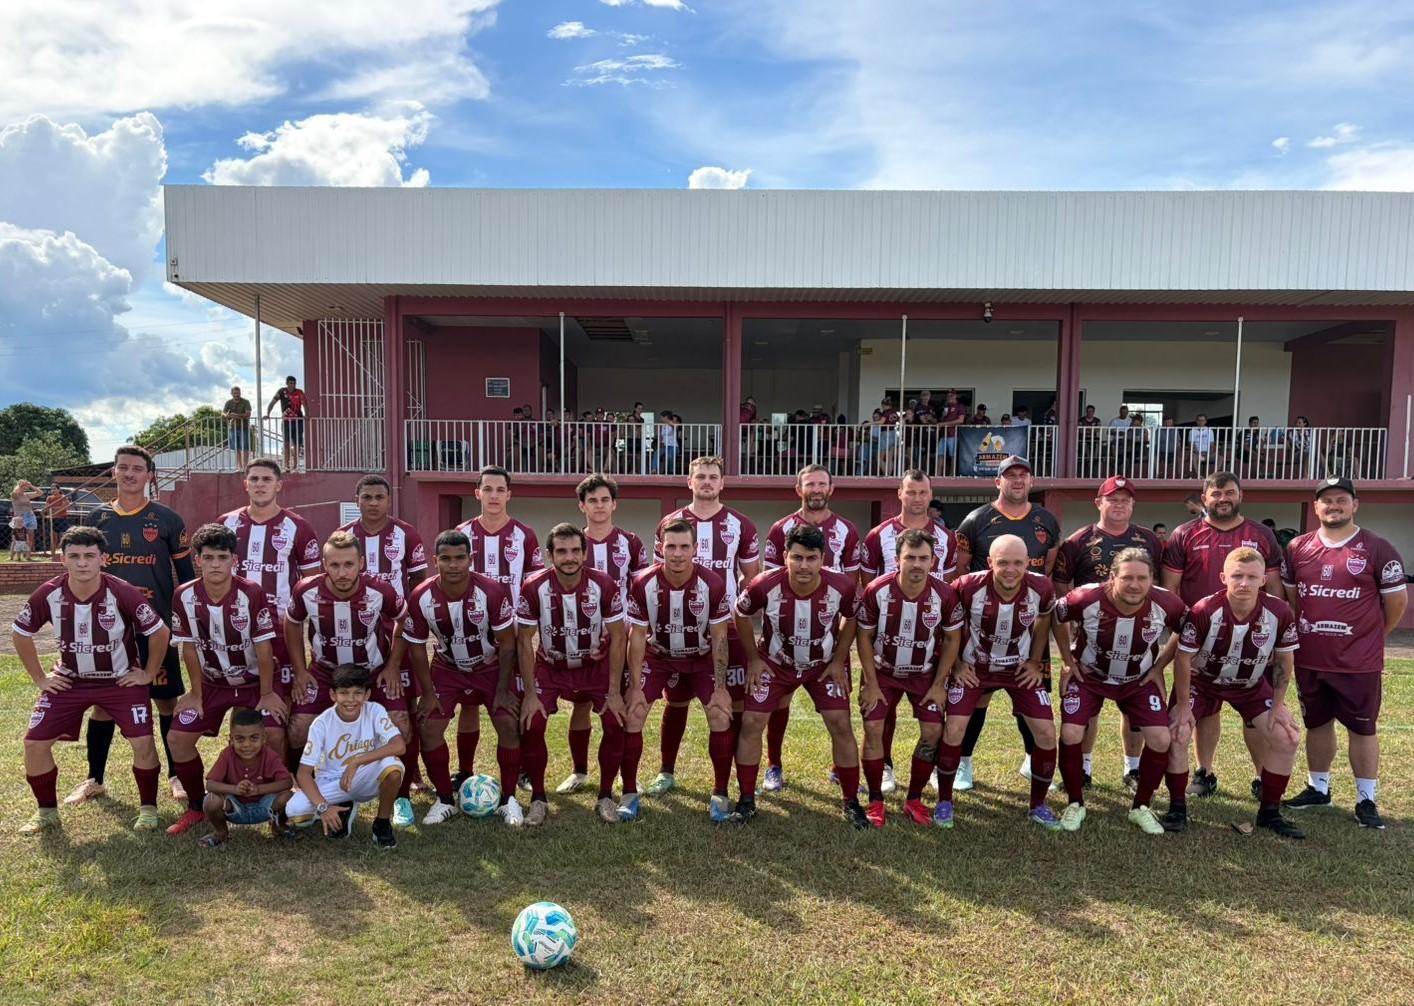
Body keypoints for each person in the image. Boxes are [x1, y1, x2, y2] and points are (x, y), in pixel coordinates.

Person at [14, 525, 169, 833]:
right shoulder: (50, 593)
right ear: (63, 559)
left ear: (103, 559)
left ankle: (148, 809)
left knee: (142, 742)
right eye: (74, 556)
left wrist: (148, 673)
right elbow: (20, 633)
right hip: (70, 681)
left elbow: (159, 631)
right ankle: (46, 812)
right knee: (34, 744)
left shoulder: (122, 591)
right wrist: (40, 678)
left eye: (89, 555)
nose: (82, 563)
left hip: (119, 681)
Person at [70, 446, 195, 809]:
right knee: (104, 703)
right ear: (113, 472)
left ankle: (175, 775)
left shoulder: (168, 519)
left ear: (149, 475)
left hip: (156, 628)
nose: (129, 474)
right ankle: (95, 779)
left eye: (137, 468)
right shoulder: (96, 518)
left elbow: (186, 578)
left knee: (166, 699)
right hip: (108, 629)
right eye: (123, 467)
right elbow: (81, 570)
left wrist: (182, 623)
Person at [1281, 477, 1407, 829]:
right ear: (1316, 507)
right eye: (1327, 500)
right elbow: (1295, 599)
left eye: (1341, 499)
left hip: (1357, 662)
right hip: (1311, 656)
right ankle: (1318, 788)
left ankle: (1366, 799)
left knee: (1362, 729)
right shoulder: (1298, 548)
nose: (1333, 506)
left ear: (1355, 505)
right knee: (1317, 723)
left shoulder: (1377, 548)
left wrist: (1373, 636)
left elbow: (1396, 603)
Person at [729, 524, 865, 828]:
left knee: (841, 724)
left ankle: (851, 802)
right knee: (751, 722)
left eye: (811, 558)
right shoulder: (764, 584)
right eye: (797, 557)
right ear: (785, 557)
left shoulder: (841, 586)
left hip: (822, 665)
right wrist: (754, 659)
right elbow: (741, 613)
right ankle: (746, 800)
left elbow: (853, 616)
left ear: (822, 559)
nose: (804, 565)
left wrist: (839, 659)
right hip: (776, 664)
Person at [1161, 472, 1283, 799]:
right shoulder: (1184, 534)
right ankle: (1205, 772)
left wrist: (1274, 636)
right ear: (1204, 498)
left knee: (1255, 714)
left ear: (1241, 495)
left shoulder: (1261, 534)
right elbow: (1171, 589)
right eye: (1216, 493)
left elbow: (1273, 587)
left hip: (1253, 640)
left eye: (1229, 492)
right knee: (1205, 710)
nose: (1223, 499)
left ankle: (1262, 777)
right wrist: (1182, 633)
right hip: (1201, 640)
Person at [1168, 549, 1304, 838]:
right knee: (1177, 733)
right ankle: (1177, 807)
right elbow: (1182, 658)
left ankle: (1270, 811)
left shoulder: (1279, 611)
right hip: (1203, 682)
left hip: (1249, 684)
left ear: (1263, 580)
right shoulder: (1204, 610)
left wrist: (1278, 705)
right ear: (1223, 578)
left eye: (1252, 577)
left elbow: (1284, 659)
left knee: (1287, 737)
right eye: (1237, 576)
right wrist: (1182, 705)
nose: (1244, 583)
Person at [1051, 549, 1186, 833]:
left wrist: (1159, 666)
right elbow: (1056, 615)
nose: (1134, 585)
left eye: (1142, 578)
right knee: (1071, 732)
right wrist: (1067, 660)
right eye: (1127, 578)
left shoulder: (1167, 602)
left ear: (1152, 579)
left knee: (1161, 738)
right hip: (1089, 676)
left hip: (1137, 681)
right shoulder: (1086, 597)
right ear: (1112, 577)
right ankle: (1075, 802)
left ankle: (1141, 807)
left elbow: (1185, 630)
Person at [164, 523, 285, 836]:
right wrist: (194, 693)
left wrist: (267, 693)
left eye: (222, 557)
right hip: (212, 684)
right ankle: (197, 806)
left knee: (274, 734)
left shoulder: (251, 592)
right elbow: (188, 647)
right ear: (197, 560)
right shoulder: (184, 595)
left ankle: (276, 809)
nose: (215, 564)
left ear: (234, 560)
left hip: (253, 684)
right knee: (177, 738)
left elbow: (264, 646)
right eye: (208, 557)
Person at [649, 456, 760, 796]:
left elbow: (751, 578)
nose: (707, 482)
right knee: (676, 702)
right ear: (690, 482)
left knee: (731, 704)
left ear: (722, 483)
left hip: (727, 628)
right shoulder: (670, 523)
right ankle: (666, 771)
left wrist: (739, 616)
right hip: (679, 628)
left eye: (713, 477)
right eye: (701, 476)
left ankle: (733, 777)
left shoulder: (741, 524)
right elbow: (658, 576)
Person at [285, 530, 410, 824]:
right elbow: (292, 623)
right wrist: (301, 671)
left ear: (361, 563)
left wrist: (393, 666)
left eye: (349, 564)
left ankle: (401, 796)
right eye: (335, 565)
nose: (342, 572)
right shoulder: (306, 590)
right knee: (298, 729)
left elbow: (404, 620)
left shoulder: (380, 590)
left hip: (372, 672)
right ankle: (301, 787)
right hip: (325, 672)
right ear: (324, 565)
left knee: (401, 725)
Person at [952, 455, 1061, 789]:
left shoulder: (1046, 520)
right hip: (983, 622)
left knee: (1031, 687)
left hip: (1027, 622)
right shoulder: (976, 520)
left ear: (1031, 481)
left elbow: (1048, 570)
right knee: (977, 695)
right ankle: (963, 763)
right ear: (997, 482)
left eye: (1023, 475)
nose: (1017, 480)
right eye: (1010, 475)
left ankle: (1031, 759)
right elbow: (961, 570)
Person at [401, 529, 523, 826]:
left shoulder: (491, 591)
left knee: (508, 723)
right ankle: (445, 800)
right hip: (447, 669)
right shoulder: (421, 596)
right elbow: (416, 646)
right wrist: (428, 693)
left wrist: (503, 689)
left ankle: (509, 799)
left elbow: (508, 643)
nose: (453, 565)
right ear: (435, 561)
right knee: (429, 727)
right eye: (446, 558)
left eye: (460, 558)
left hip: (490, 667)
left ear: (471, 559)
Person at [938, 535, 1060, 829]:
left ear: (1028, 563)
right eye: (1003, 562)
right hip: (975, 669)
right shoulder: (966, 587)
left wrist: (1035, 661)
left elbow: (1044, 619)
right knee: (953, 729)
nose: (1010, 570)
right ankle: (944, 801)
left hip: (1018, 670)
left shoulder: (1041, 587)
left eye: (1017, 563)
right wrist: (957, 664)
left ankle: (1038, 805)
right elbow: (947, 626)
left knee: (1046, 733)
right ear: (990, 562)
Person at [1052, 477, 1164, 790]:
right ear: (1098, 503)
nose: (1119, 505)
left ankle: (1133, 769)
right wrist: (1069, 646)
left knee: (1135, 707)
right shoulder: (1077, 541)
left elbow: (1160, 587)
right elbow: (1061, 589)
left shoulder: (1149, 540)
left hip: (1139, 637)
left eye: (1125, 500)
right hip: (1091, 638)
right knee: (1087, 708)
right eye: (1112, 499)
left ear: (1133, 504)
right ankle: (1084, 768)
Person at [515, 524, 628, 827]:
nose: (569, 557)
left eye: (575, 550)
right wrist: (530, 694)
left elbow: (619, 636)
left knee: (615, 722)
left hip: (595, 668)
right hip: (552, 668)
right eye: (562, 551)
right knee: (532, 722)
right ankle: (538, 798)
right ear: (549, 555)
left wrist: (615, 690)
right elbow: (524, 640)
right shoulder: (533, 586)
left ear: (585, 553)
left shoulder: (604, 584)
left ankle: (606, 795)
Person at [759, 465, 863, 792]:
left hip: (828, 637)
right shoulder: (780, 529)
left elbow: (851, 588)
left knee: (838, 710)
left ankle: (840, 770)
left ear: (831, 489)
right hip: (784, 636)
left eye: (821, 484)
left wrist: (841, 652)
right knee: (779, 703)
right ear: (798, 489)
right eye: (810, 484)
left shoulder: (847, 530)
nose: (816, 490)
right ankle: (774, 766)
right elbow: (770, 584)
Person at [624, 519, 736, 822]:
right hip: (659, 656)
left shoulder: (712, 583)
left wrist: (721, 688)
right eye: (671, 546)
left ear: (695, 549)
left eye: (684, 546)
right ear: (660, 548)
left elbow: (720, 638)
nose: (677, 553)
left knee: (719, 713)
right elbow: (637, 637)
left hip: (701, 658)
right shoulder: (643, 583)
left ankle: (720, 793)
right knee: (633, 713)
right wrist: (634, 687)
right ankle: (629, 793)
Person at [858, 468, 956, 792]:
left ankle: (926, 770)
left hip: (926, 641)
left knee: (933, 721)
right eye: (910, 491)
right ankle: (884, 767)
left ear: (931, 495)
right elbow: (867, 584)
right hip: (886, 641)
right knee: (880, 715)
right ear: (899, 493)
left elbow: (948, 587)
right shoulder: (878, 536)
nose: (916, 498)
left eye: (922, 492)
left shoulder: (946, 538)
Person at [856, 529, 962, 828]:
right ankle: (875, 800)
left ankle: (914, 798)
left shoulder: (945, 594)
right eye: (910, 557)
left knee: (933, 731)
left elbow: (952, 639)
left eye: (923, 558)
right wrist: (871, 683)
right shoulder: (877, 590)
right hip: (883, 672)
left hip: (924, 674)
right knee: (873, 727)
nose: (917, 564)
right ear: (897, 559)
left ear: (933, 561)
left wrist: (939, 685)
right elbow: (863, 637)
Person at [219, 458, 322, 765]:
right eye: (254, 479)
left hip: (279, 629)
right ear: (245, 484)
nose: (260, 484)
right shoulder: (226, 523)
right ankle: (244, 768)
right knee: (242, 697)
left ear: (279, 485)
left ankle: (285, 774)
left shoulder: (298, 527)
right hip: (234, 628)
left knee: (284, 701)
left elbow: (311, 584)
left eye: (266, 479)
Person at [337, 474, 428, 807]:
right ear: (357, 500)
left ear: (389, 500)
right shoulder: (343, 536)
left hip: (397, 630)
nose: (373, 503)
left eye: (379, 497)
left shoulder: (406, 534)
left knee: (404, 704)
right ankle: (348, 770)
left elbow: (418, 583)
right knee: (350, 702)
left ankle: (412, 772)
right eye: (367, 497)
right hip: (354, 630)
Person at [555, 474, 648, 795]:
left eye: (605, 500)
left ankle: (622, 772)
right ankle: (579, 772)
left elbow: (641, 591)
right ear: (582, 505)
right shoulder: (571, 544)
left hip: (619, 638)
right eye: (592, 500)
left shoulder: (630, 542)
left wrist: (634, 632)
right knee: (580, 706)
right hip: (579, 638)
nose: (599, 506)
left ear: (614, 504)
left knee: (618, 706)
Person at [451, 466, 544, 786]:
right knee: (469, 705)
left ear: (509, 495)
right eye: (487, 489)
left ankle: (521, 770)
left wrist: (528, 629)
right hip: (470, 633)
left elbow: (533, 586)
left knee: (513, 703)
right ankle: (465, 770)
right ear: (477, 493)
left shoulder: (524, 535)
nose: (493, 495)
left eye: (499, 489)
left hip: (512, 635)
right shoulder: (462, 533)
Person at [286, 664, 406, 849]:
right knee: (295, 813)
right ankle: (342, 806)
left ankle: (382, 824)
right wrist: (323, 807)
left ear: (367, 695)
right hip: (333, 781)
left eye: (357, 693)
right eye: (343, 693)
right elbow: (303, 773)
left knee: (393, 767)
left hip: (364, 776)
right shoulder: (321, 723)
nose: (350, 700)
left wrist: (357, 761)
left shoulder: (374, 711)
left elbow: (399, 745)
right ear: (333, 695)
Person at [200, 708, 294, 847]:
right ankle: (221, 833)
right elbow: (210, 785)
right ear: (231, 739)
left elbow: (287, 782)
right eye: (240, 739)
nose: (247, 745)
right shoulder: (227, 755)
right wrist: (235, 789)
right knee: (211, 800)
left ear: (264, 738)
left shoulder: (270, 755)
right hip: (235, 807)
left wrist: (259, 789)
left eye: (254, 738)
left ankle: (278, 826)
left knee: (288, 797)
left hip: (265, 806)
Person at [266, 376, 307, 474]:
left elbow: (305, 403)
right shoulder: (281, 391)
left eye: (294, 383)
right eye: (291, 383)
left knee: (297, 444)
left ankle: (296, 466)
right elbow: (272, 402)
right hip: (286, 421)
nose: (292, 385)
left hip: (298, 421)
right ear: (287, 383)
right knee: (286, 443)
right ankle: (287, 466)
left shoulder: (299, 392)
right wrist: (268, 414)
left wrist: (307, 414)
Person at [935, 391, 968, 477]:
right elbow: (942, 419)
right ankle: (938, 474)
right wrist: (943, 416)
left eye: (951, 396)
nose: (949, 397)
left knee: (953, 455)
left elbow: (960, 420)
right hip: (943, 434)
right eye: (948, 396)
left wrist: (943, 424)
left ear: (955, 396)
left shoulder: (960, 406)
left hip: (953, 434)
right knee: (940, 454)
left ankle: (951, 474)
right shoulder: (946, 407)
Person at [9, 479, 41, 561]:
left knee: (30, 537)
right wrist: (20, 484)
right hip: (20, 518)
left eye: (25, 487)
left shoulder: (26, 495)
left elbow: (40, 493)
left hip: (30, 516)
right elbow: (14, 492)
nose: (25, 488)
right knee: (17, 537)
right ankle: (12, 556)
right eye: (23, 486)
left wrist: (31, 486)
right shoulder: (15, 495)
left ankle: (27, 556)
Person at [222, 386, 253, 471]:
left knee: (245, 448)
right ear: (231, 394)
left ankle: (245, 467)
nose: (236, 395)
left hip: (244, 428)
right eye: (235, 393)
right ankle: (240, 467)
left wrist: (235, 415)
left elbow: (248, 414)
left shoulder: (246, 402)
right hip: (233, 428)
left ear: (240, 393)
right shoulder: (228, 402)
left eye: (238, 393)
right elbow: (224, 413)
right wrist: (227, 415)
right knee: (236, 448)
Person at [44, 485, 70, 559]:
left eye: (54, 489)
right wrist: (54, 509)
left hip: (62, 518)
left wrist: (52, 508)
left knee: (63, 537)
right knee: (53, 539)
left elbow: (64, 507)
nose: (53, 490)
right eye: (52, 489)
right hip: (52, 519)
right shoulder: (49, 498)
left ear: (59, 489)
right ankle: (53, 555)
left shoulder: (63, 497)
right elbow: (46, 508)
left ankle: (64, 555)